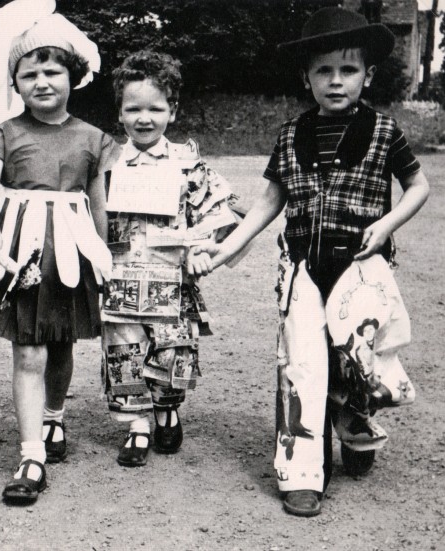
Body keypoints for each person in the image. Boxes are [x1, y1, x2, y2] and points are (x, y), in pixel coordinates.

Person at [193, 7, 429, 517]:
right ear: (307, 77)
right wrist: (226, 248)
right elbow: (267, 204)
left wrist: (387, 225)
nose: (336, 81)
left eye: (348, 71)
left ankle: (357, 429)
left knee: (358, 362)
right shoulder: (290, 135)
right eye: (324, 70)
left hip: (362, 270)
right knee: (302, 363)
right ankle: (302, 470)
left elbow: (418, 186)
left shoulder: (385, 131)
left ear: (367, 76)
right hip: (303, 268)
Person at [0, 9, 120, 505]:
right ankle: (31, 456)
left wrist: (105, 258)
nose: (41, 81)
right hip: (21, 256)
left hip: (70, 256)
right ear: (16, 83)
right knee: (29, 349)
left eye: (52, 71)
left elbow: (98, 207)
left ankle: (54, 418)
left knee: (62, 344)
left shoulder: (94, 139)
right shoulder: (5, 134)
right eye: (29, 74)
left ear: (74, 75)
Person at [101, 51, 237, 468]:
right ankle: (137, 425)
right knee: (124, 350)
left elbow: (216, 211)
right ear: (120, 112)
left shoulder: (188, 162)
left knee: (172, 349)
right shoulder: (107, 161)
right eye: (133, 109)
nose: (144, 118)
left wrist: (199, 249)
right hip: (120, 277)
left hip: (172, 279)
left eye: (155, 108)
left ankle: (167, 410)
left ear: (172, 111)